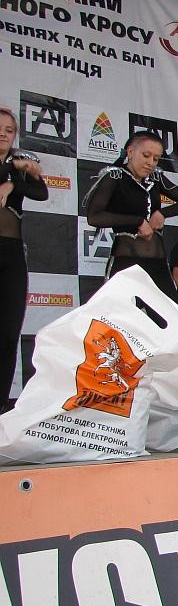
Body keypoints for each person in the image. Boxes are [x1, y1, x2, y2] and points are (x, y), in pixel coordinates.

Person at [84, 131, 178, 302]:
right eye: (146, 155)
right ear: (130, 152)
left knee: (166, 314)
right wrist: (137, 221)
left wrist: (163, 213)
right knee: (121, 313)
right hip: (126, 262)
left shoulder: (157, 178)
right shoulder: (115, 176)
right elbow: (94, 217)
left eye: (156, 159)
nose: (150, 163)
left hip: (158, 263)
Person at [0, 106, 48, 413]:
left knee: (7, 333)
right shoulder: (15, 163)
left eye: (9, 131)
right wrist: (11, 169)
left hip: (12, 254)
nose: (3, 135)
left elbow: (41, 192)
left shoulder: (19, 162)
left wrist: (14, 181)